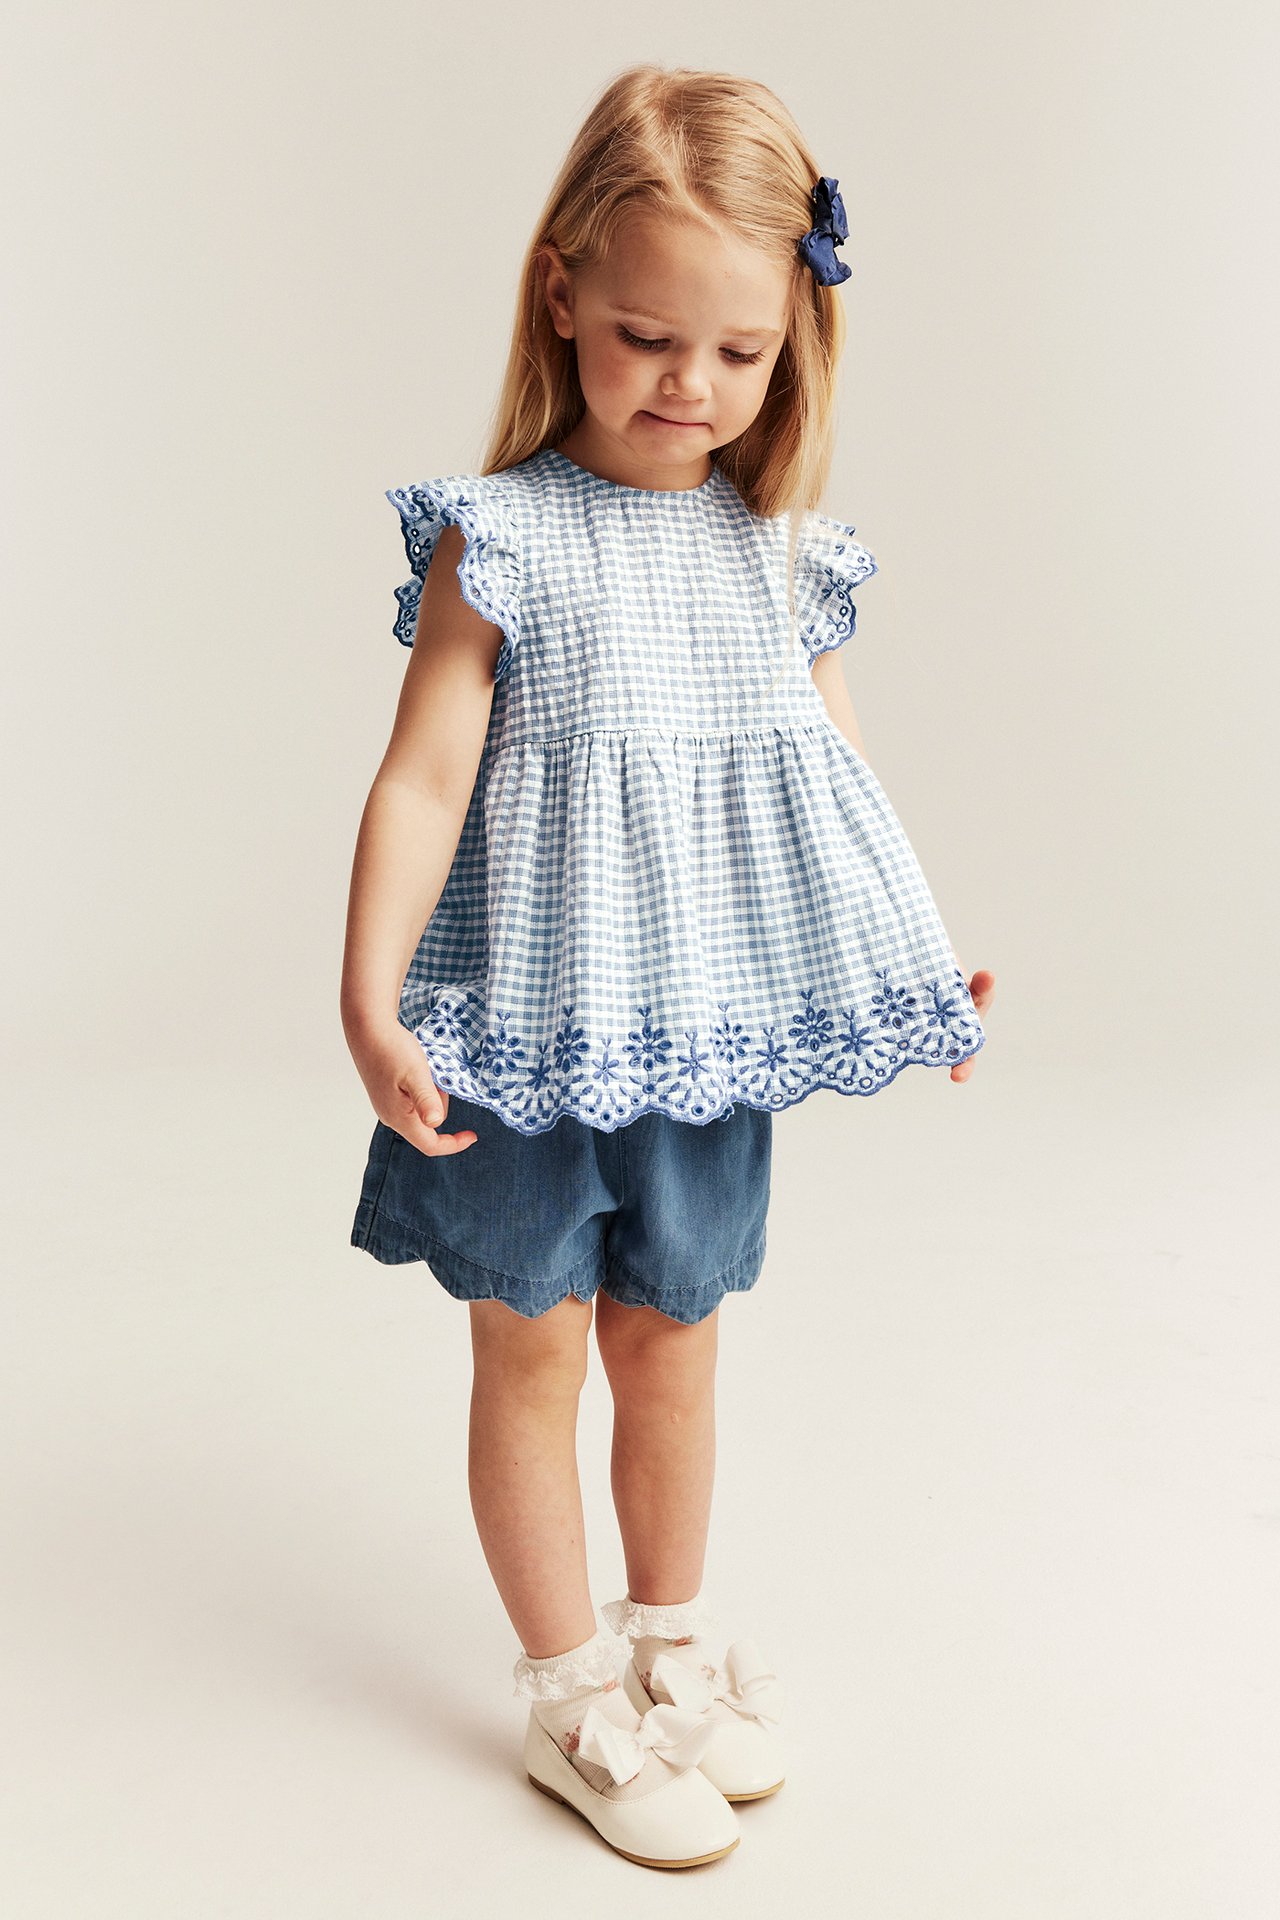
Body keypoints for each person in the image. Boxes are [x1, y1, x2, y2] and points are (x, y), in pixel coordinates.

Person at [340, 63, 995, 1870]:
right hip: (530, 1027)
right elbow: (422, 772)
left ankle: (671, 1651)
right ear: (561, 293)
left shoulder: (778, 560)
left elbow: (839, 784)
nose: (687, 387)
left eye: (737, 355)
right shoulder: (508, 539)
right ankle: (570, 1700)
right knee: (534, 1352)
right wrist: (370, 997)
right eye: (644, 337)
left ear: (792, 348)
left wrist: (922, 961)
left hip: (702, 1029)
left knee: (677, 1343)